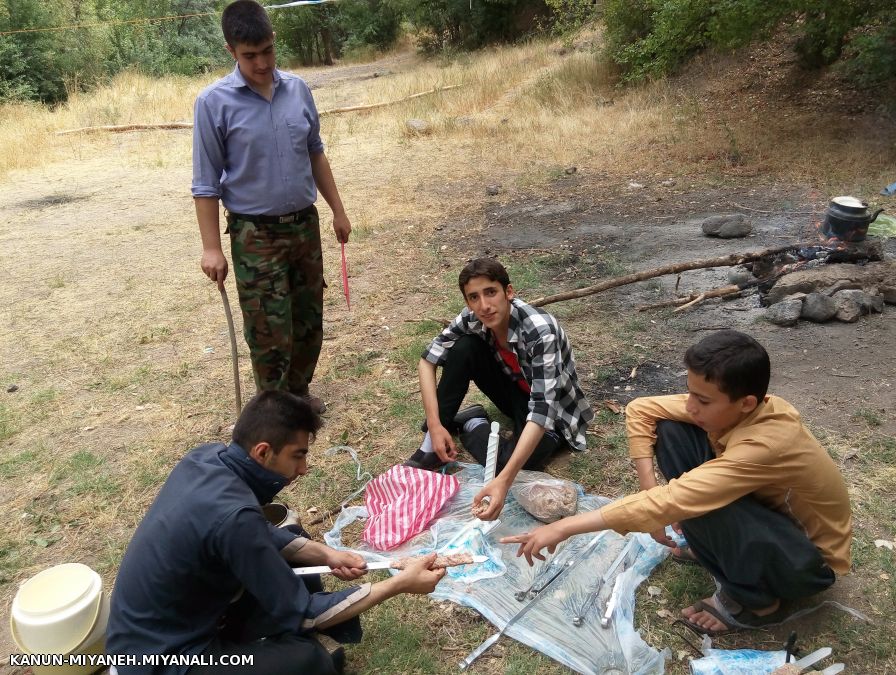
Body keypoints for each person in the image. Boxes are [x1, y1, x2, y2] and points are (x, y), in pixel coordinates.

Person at [501, 330, 851, 636]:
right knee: (673, 428)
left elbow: (677, 499)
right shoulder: (742, 409)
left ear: (746, 403)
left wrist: (564, 529)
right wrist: (651, 492)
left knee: (698, 499)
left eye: (702, 400)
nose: (690, 405)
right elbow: (641, 409)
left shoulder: (767, 443)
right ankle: (714, 547)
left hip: (806, 562)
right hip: (770, 523)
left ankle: (757, 603)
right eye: (690, 393)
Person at [106, 391, 445, 675]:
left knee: (295, 543)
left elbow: (259, 534)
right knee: (312, 661)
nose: (303, 468)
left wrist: (328, 555)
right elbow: (302, 608)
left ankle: (270, 635)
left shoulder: (207, 458)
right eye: (297, 456)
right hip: (163, 659)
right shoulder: (235, 517)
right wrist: (398, 584)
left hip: (182, 618)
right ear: (263, 452)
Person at [192, 0, 351, 412]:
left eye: (266, 51)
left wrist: (338, 209)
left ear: (273, 41)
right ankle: (273, 409)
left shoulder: (298, 89)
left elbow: (315, 152)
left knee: (307, 320)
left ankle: (297, 394)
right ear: (232, 51)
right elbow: (205, 184)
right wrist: (212, 248)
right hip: (254, 233)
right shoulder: (213, 103)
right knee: (268, 327)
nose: (261, 63)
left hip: (303, 225)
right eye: (249, 55)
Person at [405, 257, 594, 521]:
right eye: (474, 297)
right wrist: (436, 426)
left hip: (554, 417)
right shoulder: (473, 317)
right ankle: (430, 447)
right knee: (464, 348)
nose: (484, 305)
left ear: (509, 292)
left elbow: (542, 411)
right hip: (515, 395)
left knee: (508, 467)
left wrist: (503, 482)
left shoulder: (541, 332)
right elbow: (427, 361)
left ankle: (473, 423)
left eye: (491, 293)